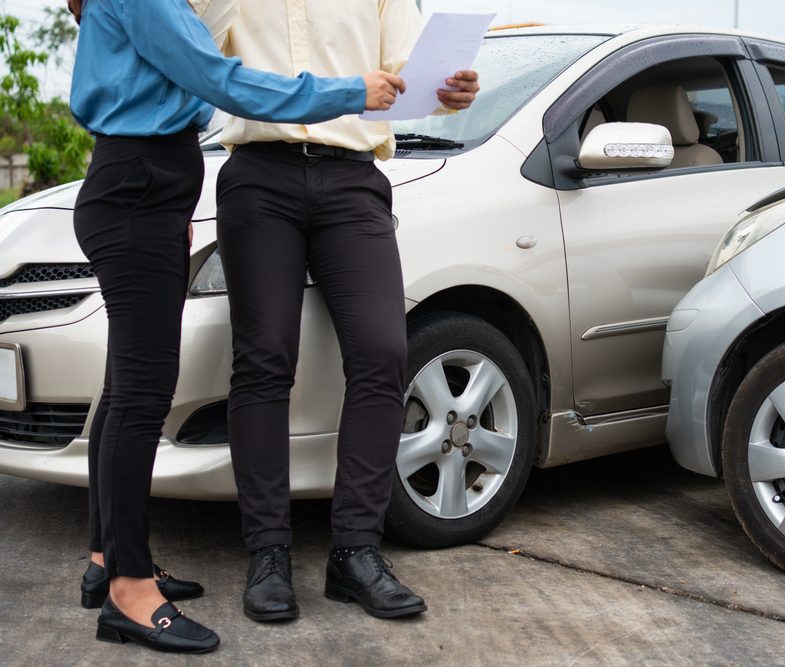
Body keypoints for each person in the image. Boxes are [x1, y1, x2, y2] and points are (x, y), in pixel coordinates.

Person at [66, 0, 407, 653]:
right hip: (138, 188)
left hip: (149, 187)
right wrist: (349, 92)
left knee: (125, 388)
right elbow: (221, 81)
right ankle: (130, 592)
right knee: (141, 396)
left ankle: (110, 558)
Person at [189, 0, 480, 622]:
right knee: (264, 358)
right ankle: (267, 553)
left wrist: (446, 91)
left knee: (382, 351)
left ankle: (355, 551)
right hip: (259, 175)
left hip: (352, 180)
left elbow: (405, 78)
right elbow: (202, 61)